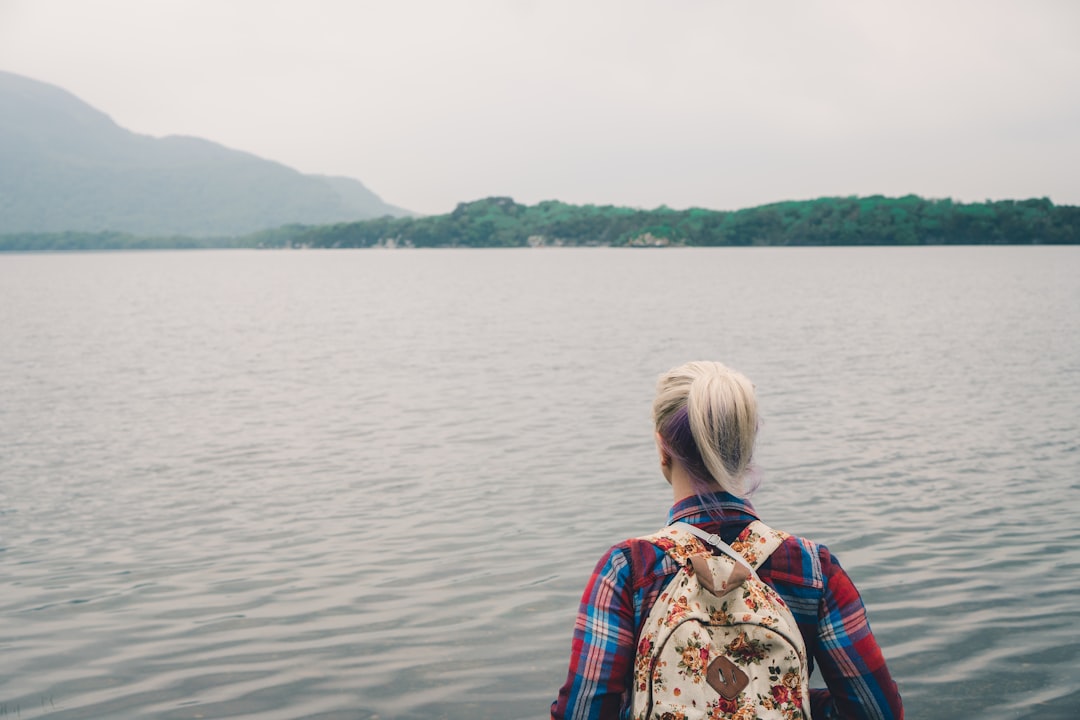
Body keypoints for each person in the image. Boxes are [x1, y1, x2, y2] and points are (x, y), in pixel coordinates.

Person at [551, 361, 903, 719]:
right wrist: (785, 698)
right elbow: (879, 713)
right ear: (747, 447)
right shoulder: (813, 569)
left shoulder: (627, 570)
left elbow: (582, 714)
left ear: (662, 448)